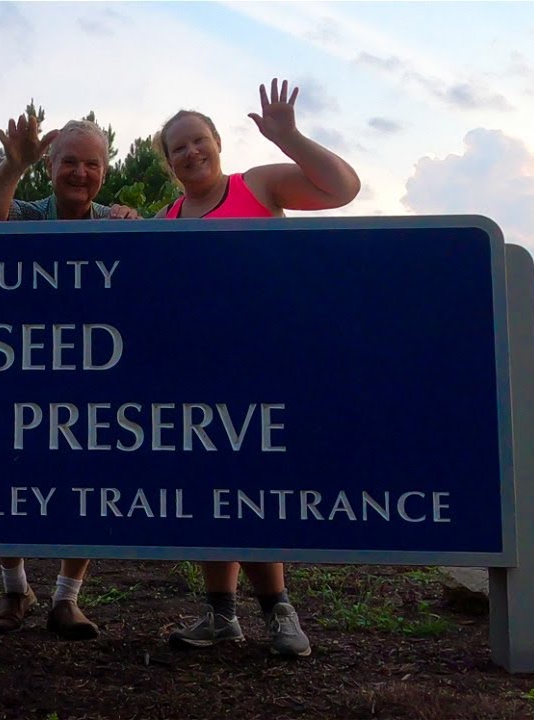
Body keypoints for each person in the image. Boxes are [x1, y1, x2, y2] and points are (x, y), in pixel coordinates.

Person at [156, 79, 361, 656]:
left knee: (251, 489)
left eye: (198, 140)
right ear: (169, 163)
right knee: (208, 492)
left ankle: (279, 611)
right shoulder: (165, 218)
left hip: (265, 364)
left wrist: (289, 137)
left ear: (217, 143)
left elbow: (342, 189)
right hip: (199, 374)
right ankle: (220, 614)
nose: (191, 152)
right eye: (178, 148)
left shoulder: (259, 185)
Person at [0, 113, 138, 639]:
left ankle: (67, 599)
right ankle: (15, 589)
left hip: (92, 375)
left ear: (105, 171)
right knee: (6, 474)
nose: (80, 173)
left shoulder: (117, 222)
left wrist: (141, 231)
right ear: (49, 166)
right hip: (19, 367)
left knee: (88, 479)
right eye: (70, 161)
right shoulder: (26, 212)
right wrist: (12, 166)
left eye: (92, 164)